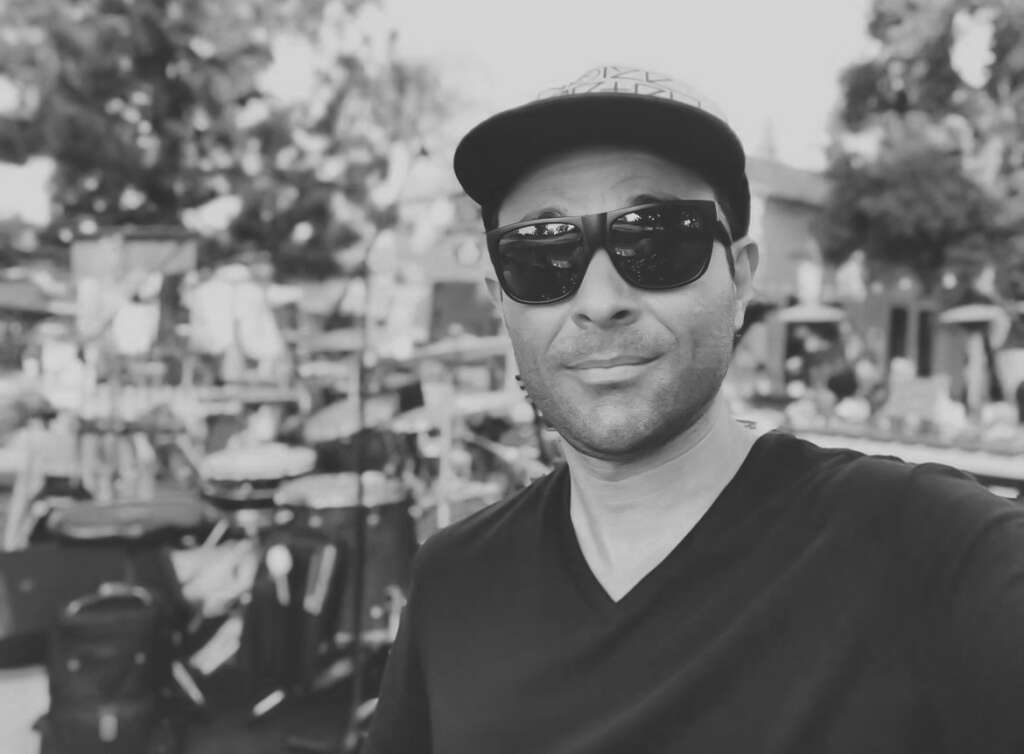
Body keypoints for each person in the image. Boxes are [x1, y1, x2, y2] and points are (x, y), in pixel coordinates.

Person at [363, 66, 1024, 753]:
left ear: (740, 279)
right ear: (501, 301)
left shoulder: (932, 548)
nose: (599, 301)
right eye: (542, 253)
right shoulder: (453, 582)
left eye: (656, 240)